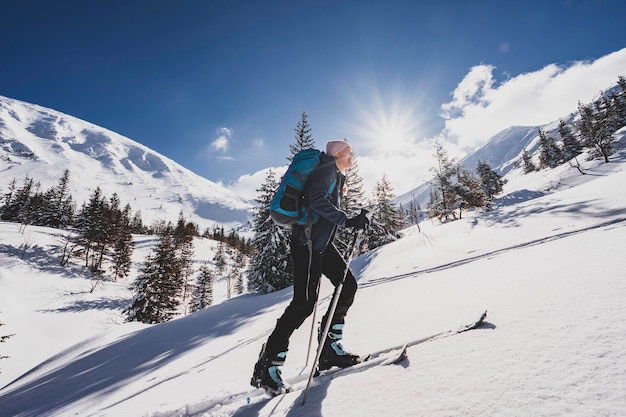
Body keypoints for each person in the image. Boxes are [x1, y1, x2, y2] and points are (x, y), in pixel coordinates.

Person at [251, 140, 370, 395]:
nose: (353, 155)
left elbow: (321, 206)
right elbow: (317, 201)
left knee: (347, 285)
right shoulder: (326, 170)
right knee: (304, 303)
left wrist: (348, 221)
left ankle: (329, 348)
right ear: (338, 153)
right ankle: (268, 366)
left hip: (320, 244)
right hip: (306, 243)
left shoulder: (336, 175)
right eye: (349, 151)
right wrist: (347, 221)